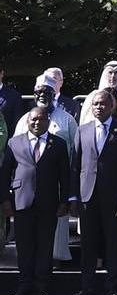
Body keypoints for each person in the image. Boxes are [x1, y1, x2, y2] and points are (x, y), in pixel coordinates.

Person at [0, 106, 71, 295]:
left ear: (48, 121)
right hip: (22, 202)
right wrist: (5, 200)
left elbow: (65, 175)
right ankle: (24, 286)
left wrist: (65, 200)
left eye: (41, 119)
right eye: (33, 120)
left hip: (49, 203)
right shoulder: (14, 143)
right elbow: (5, 173)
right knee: (24, 247)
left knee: (45, 247)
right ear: (28, 121)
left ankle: (43, 287)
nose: (37, 122)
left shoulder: (58, 144)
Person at [72, 88, 117, 295]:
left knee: (112, 242)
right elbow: (75, 165)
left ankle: (113, 286)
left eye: (103, 104)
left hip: (113, 197)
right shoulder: (82, 130)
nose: (99, 107)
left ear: (112, 106)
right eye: (96, 104)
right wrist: (73, 196)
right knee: (88, 242)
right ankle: (86, 286)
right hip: (87, 195)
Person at [13, 73, 77, 262]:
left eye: (46, 91)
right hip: (27, 191)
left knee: (55, 233)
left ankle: (56, 261)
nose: (42, 95)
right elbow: (14, 153)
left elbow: (75, 154)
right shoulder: (25, 119)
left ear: (53, 93)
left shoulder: (67, 119)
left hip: (56, 186)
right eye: (38, 92)